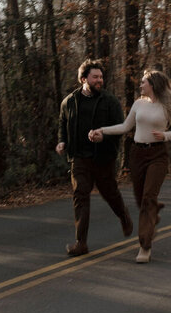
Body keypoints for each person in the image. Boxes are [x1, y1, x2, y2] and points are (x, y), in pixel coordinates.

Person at [90, 69, 171, 264]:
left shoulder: (167, 105)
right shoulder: (138, 103)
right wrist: (102, 130)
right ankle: (152, 214)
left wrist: (165, 135)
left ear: (153, 85)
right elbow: (125, 127)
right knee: (141, 198)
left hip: (158, 155)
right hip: (137, 154)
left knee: (148, 197)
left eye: (143, 82)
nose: (140, 85)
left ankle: (144, 245)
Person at [56, 59, 134, 256]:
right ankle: (81, 243)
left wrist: (104, 135)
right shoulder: (69, 102)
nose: (100, 80)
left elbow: (121, 128)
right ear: (84, 79)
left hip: (103, 158)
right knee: (80, 196)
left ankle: (124, 216)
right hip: (79, 159)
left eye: (101, 77)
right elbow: (62, 124)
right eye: (95, 77)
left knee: (110, 193)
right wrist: (62, 142)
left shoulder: (110, 102)